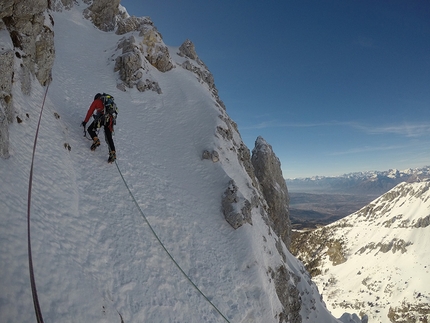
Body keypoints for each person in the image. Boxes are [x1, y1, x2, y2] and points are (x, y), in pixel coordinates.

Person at [81, 93, 116, 163]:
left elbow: (90, 111)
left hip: (102, 118)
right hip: (110, 119)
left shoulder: (96, 101)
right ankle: (113, 153)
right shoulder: (107, 102)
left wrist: (85, 121)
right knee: (109, 137)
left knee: (90, 129)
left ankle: (96, 141)